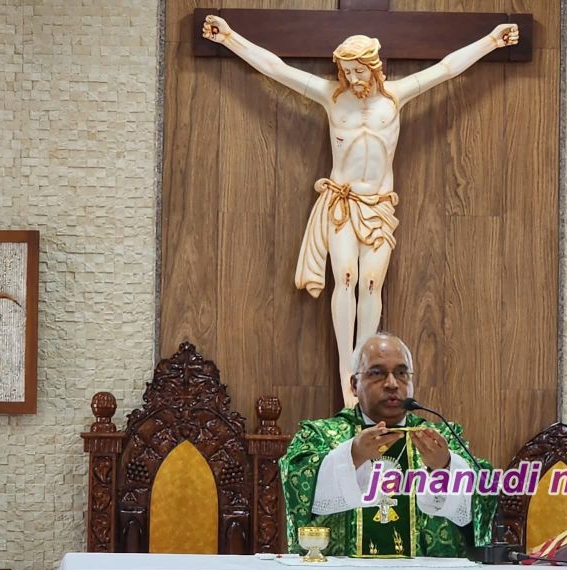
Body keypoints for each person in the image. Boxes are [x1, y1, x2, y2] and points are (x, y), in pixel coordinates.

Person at [202, 16, 520, 407]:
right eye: (346, 71)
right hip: (343, 203)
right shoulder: (331, 97)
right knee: (346, 278)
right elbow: (276, 69)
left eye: (358, 70)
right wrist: (229, 38)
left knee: (370, 283)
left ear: (373, 67)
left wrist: (491, 41)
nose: (352, 78)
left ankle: (364, 368)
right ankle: (346, 377)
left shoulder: (395, 96)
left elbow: (446, 69)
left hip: (379, 206)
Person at [279, 333, 496, 557]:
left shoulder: (439, 439)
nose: (392, 384)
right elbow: (297, 478)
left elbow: (484, 489)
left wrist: (446, 466)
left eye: (402, 373)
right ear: (354, 385)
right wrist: (352, 456)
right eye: (377, 373)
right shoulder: (320, 435)